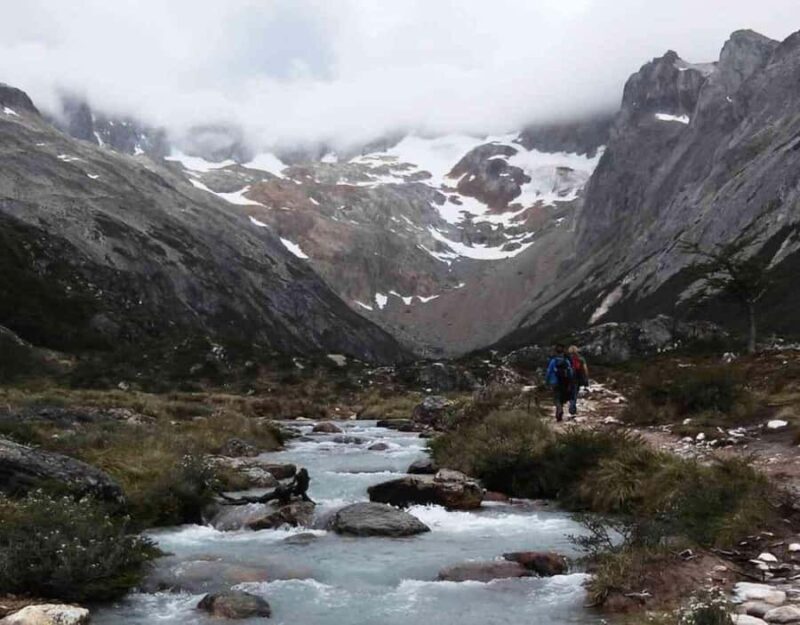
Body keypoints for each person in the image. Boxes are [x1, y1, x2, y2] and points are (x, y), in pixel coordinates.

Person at [545, 344, 573, 422]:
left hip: (554, 382)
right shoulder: (566, 361)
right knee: (562, 397)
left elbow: (549, 371)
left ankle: (559, 410)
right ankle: (560, 410)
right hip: (564, 382)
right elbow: (570, 372)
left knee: (556, 398)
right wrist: (570, 381)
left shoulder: (553, 361)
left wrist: (546, 381)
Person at [567, 345, 590, 416]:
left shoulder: (567, 359)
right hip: (577, 379)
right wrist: (586, 378)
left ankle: (571, 406)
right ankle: (572, 408)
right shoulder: (581, 359)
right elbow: (585, 369)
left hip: (568, 379)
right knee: (575, 393)